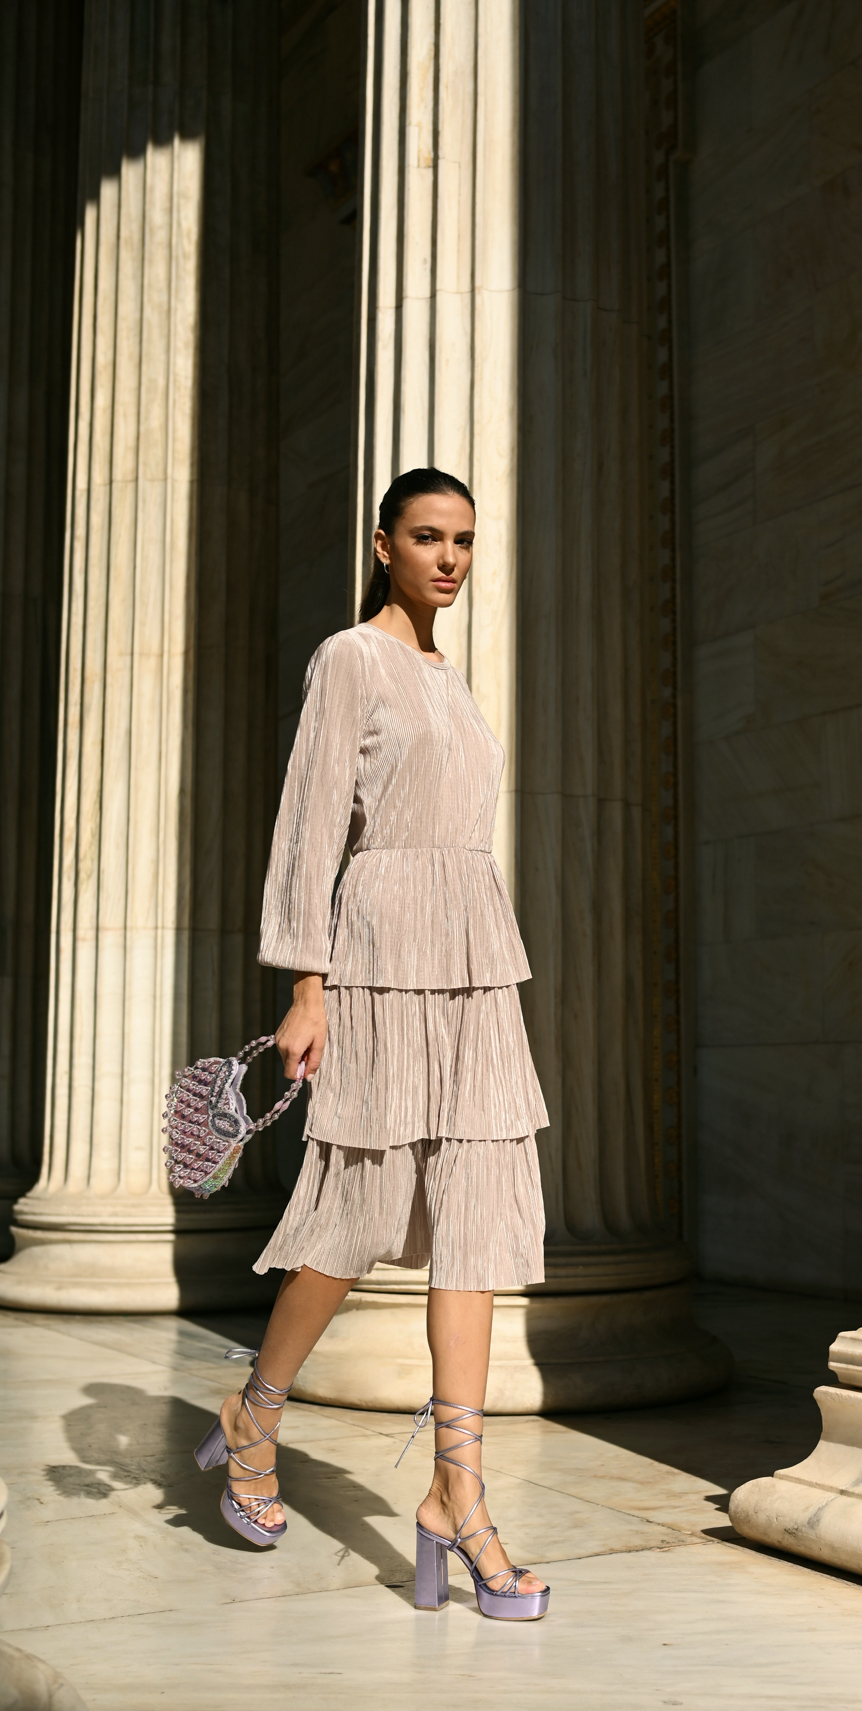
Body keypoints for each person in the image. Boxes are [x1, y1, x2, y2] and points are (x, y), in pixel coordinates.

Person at [192, 468, 550, 1621]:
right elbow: (308, 827)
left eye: (463, 541)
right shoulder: (350, 658)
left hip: (474, 959)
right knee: (352, 1205)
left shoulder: (453, 679)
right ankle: (257, 1406)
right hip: (377, 952)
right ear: (383, 543)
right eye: (427, 537)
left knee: (480, 1214)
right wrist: (309, 987)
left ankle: (459, 1491)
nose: (448, 558)